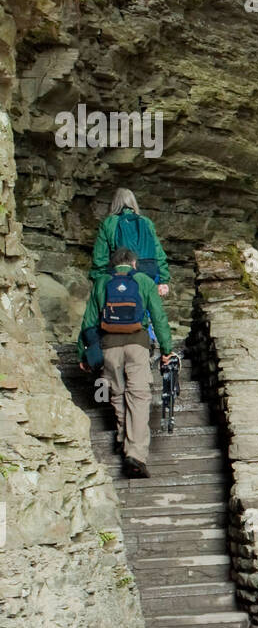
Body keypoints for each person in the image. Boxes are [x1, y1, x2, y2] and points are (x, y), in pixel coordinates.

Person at [78, 246, 173, 478]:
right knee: (138, 398)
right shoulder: (144, 281)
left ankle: (122, 439)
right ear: (134, 263)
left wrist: (83, 353)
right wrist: (167, 349)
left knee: (117, 394)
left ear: (113, 264)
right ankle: (135, 455)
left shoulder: (101, 282)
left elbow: (89, 322)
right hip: (137, 345)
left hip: (109, 346)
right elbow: (158, 317)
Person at [90, 190, 171, 300]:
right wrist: (164, 279)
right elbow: (158, 253)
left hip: (121, 275)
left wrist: (99, 280)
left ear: (114, 203)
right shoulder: (146, 222)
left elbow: (100, 256)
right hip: (149, 273)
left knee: (121, 307)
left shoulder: (109, 223)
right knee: (146, 307)